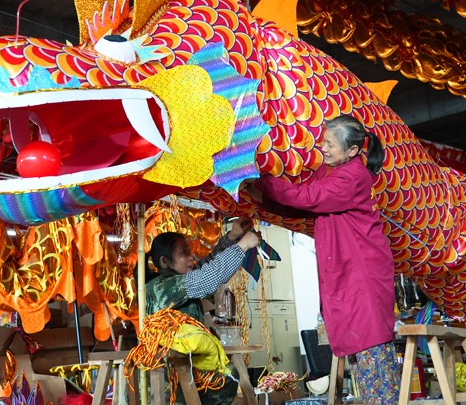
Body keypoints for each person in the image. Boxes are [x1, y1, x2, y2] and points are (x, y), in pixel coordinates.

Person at [259, 115, 399, 405]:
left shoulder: (352, 176)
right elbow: (307, 203)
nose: (322, 148)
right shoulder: (336, 171)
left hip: (362, 275)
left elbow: (310, 197)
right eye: (323, 141)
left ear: (352, 151)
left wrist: (266, 183)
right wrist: (263, 198)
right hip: (352, 272)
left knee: (373, 358)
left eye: (330, 144)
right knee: (362, 360)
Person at [145, 219, 261, 405]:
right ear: (165, 261)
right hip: (170, 383)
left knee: (229, 376)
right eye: (184, 253)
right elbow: (207, 278)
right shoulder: (162, 287)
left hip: (187, 371)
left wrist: (232, 236)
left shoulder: (177, 279)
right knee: (226, 379)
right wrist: (243, 245)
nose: (191, 258)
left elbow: (208, 263)